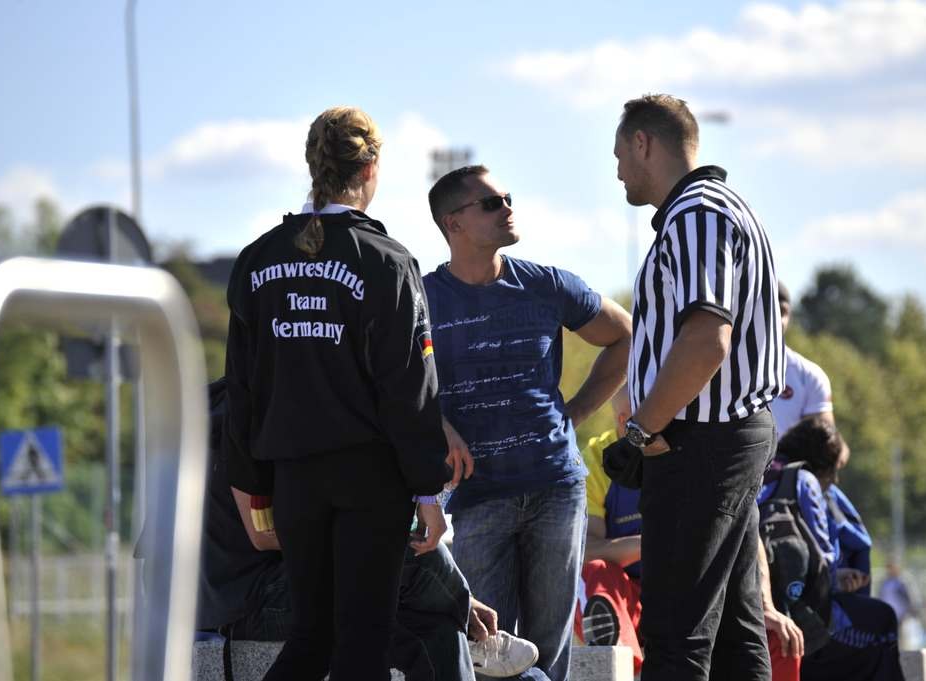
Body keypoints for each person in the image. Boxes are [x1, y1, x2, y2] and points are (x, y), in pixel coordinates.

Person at [222, 106, 452, 681]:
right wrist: (428, 489)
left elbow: (242, 387)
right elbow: (410, 387)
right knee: (363, 639)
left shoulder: (257, 261)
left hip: (294, 477)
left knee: (312, 635)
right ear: (371, 166)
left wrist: (250, 487)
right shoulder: (387, 261)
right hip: (370, 477)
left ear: (312, 163)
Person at [423, 165, 633, 681]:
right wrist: (438, 424)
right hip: (476, 496)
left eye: (508, 198)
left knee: (548, 652)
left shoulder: (545, 285)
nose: (508, 208)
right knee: (488, 655)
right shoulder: (421, 297)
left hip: (555, 488)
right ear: (454, 223)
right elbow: (391, 383)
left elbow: (625, 336)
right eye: (492, 203)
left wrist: (576, 413)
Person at [200, 378, 537, 680]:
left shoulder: (290, 402)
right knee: (407, 554)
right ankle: (465, 617)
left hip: (293, 577)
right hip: (249, 600)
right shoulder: (245, 415)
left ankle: (461, 620)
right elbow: (263, 534)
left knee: (437, 630)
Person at [611, 93, 783, 681]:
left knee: (677, 632)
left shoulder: (697, 214)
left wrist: (640, 430)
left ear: (643, 144)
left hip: (702, 441)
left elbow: (708, 339)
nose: (617, 172)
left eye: (619, 155)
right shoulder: (723, 206)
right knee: (735, 632)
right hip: (722, 439)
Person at [578, 385, 803, 680]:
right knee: (596, 572)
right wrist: (652, 543)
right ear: (624, 422)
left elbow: (745, 535)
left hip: (700, 586)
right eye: (660, 414)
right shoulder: (597, 460)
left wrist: (767, 607)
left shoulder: (696, 448)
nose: (671, 421)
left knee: (780, 635)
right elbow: (587, 549)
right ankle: (629, 666)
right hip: (633, 594)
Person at [767, 417, 904, 681]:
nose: (836, 479)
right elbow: (823, 559)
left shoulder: (763, 468)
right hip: (804, 621)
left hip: (755, 608)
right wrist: (837, 581)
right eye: (835, 469)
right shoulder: (804, 481)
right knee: (881, 619)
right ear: (823, 463)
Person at [772, 282, 835, 436]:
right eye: (766, 310)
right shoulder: (718, 363)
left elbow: (824, 446)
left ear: (789, 315)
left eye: (781, 311)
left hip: (785, 460)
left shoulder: (809, 376)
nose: (773, 318)